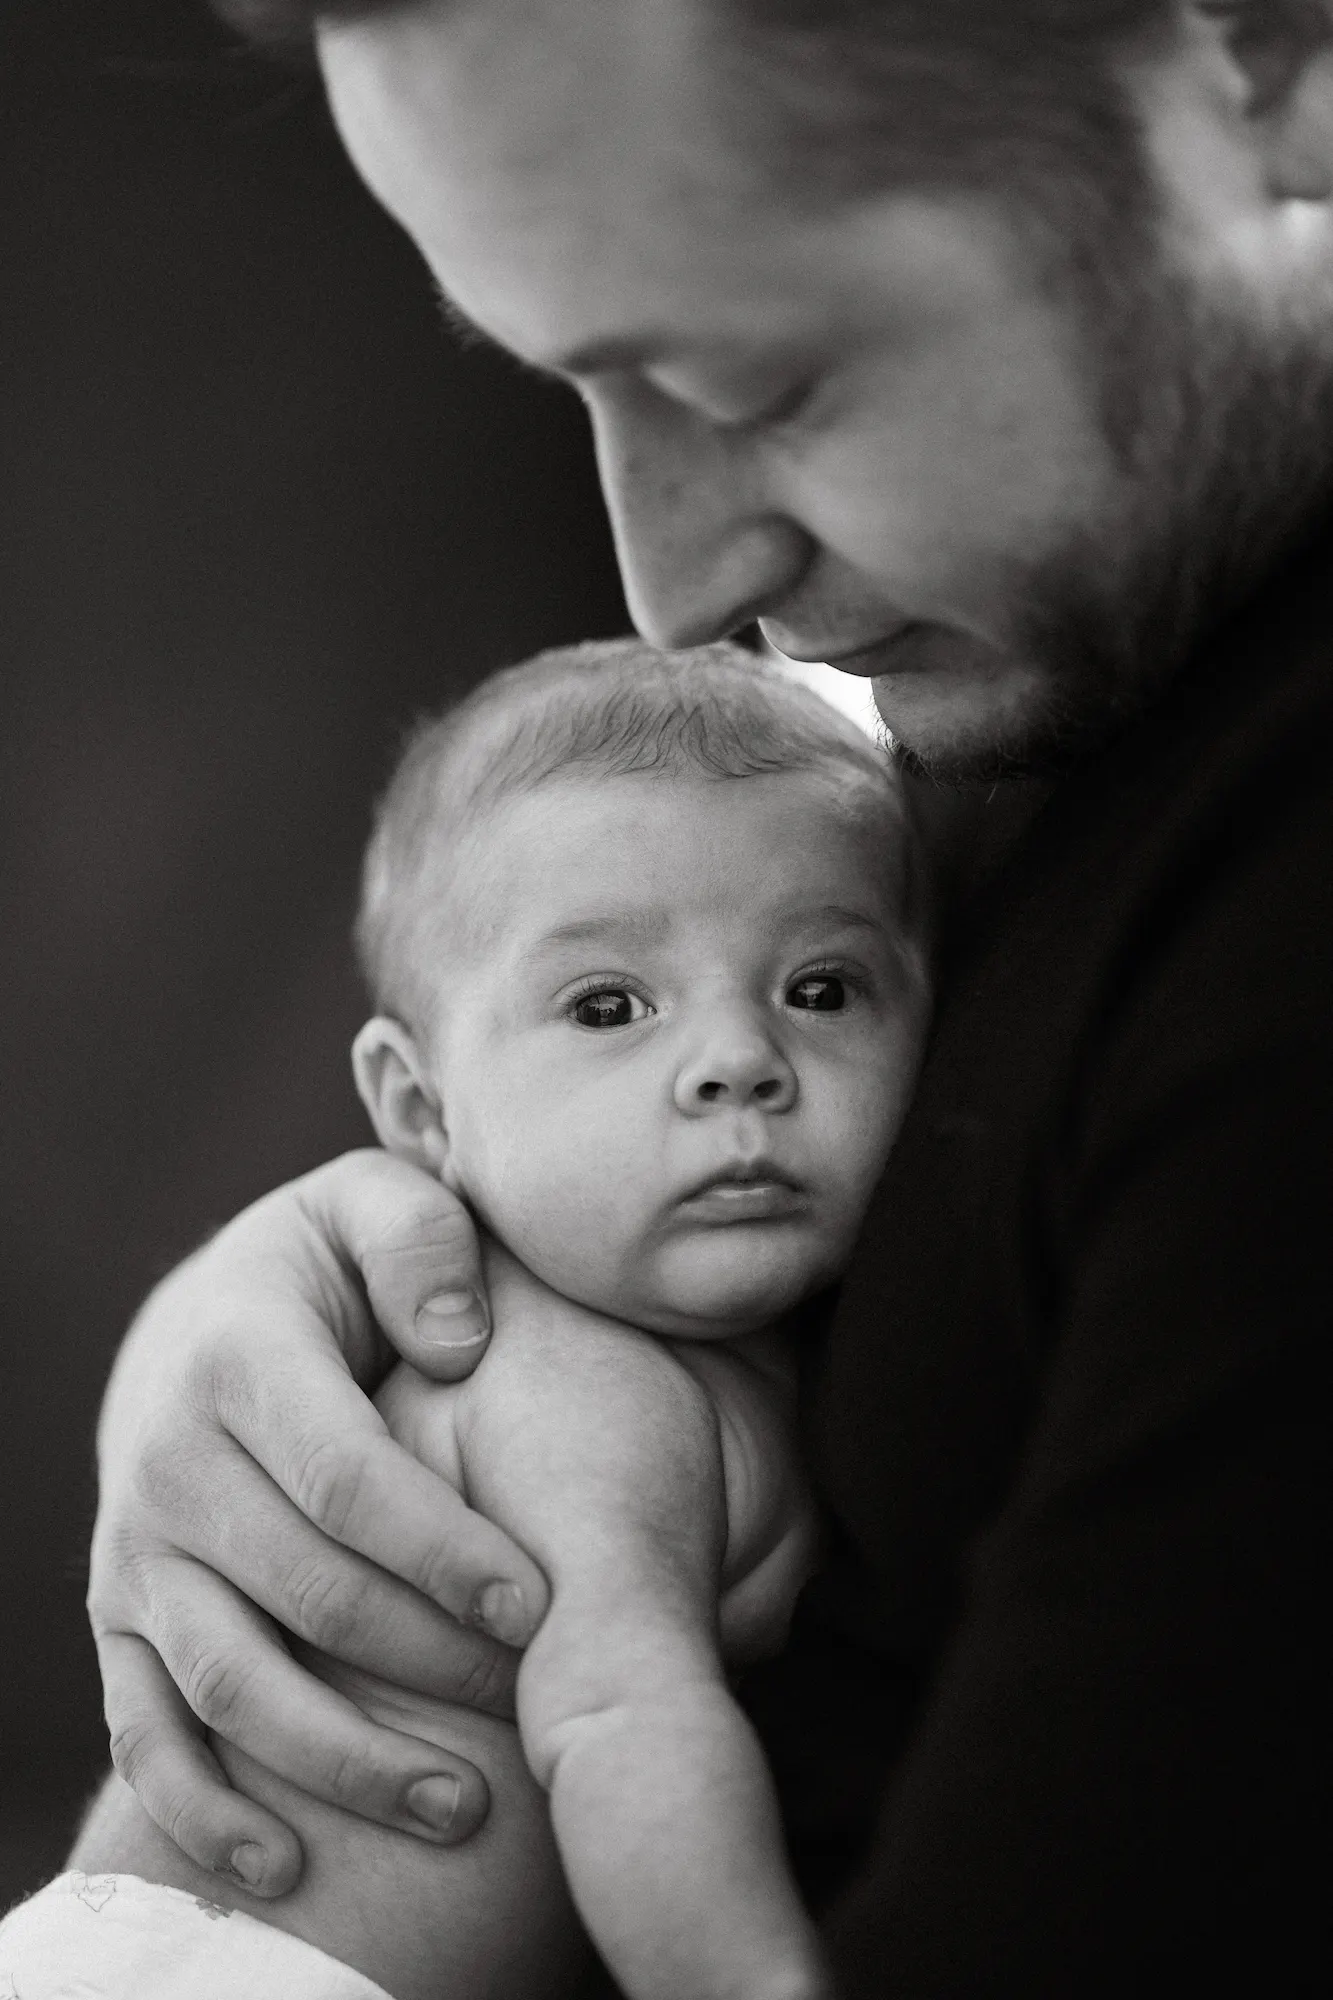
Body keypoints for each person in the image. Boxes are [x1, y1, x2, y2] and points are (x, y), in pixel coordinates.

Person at [36, 0, 1333, 1992]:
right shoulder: (1017, 704)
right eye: (577, 382)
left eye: (761, 377)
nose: (670, 581)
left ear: (1268, 64)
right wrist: (286, 1295)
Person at [1, 640, 928, 1999]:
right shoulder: (583, 1382)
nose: (741, 1062)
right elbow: (623, 1727)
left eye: (822, 990)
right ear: (423, 1111)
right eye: (610, 1006)